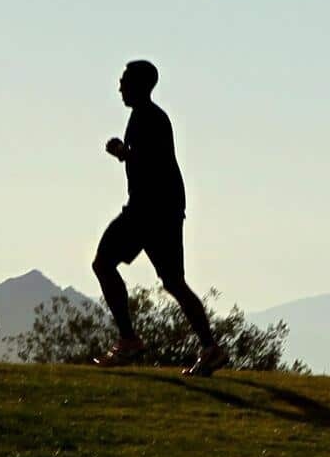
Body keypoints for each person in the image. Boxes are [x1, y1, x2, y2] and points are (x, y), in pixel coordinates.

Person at [89, 59, 228, 375]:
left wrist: (123, 153)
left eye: (125, 80)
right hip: (163, 209)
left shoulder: (148, 118)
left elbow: (152, 162)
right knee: (173, 282)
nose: (119, 86)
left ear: (139, 85)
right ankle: (210, 348)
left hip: (148, 210)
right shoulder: (147, 117)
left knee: (103, 263)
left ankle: (129, 340)